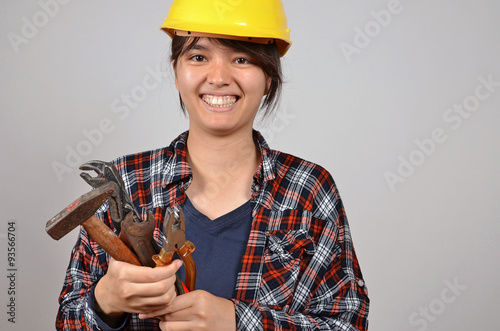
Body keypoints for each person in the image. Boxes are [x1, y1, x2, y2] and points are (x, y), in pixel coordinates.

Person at [56, 0, 370, 330]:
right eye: (199, 56)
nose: (218, 77)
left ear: (268, 78)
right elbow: (67, 322)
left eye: (241, 58)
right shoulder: (126, 182)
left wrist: (237, 321)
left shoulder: (308, 189)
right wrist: (105, 302)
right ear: (177, 71)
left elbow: (347, 324)